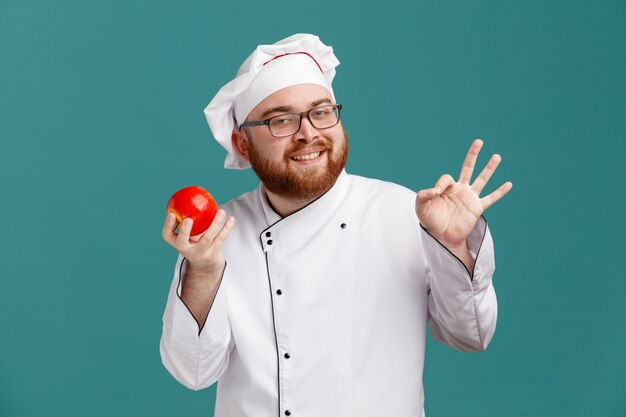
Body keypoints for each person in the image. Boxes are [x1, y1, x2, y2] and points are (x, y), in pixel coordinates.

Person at [159, 33, 512, 417]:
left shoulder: (404, 212)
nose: (308, 132)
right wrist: (205, 271)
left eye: (321, 112)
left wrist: (454, 247)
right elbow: (193, 372)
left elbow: (472, 335)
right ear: (242, 144)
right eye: (282, 120)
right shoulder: (218, 235)